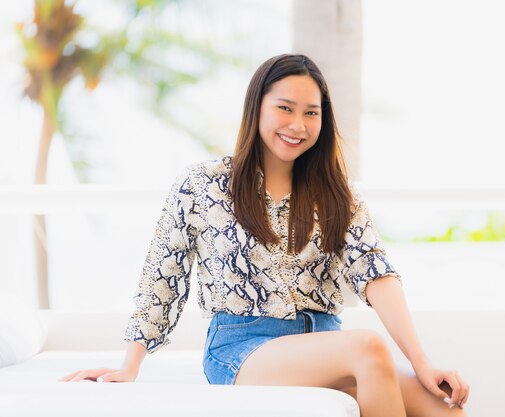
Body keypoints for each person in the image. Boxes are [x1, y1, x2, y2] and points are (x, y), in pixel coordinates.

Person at [61, 54, 470, 417]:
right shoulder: (204, 184)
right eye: (285, 108)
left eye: (312, 113)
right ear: (256, 107)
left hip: (324, 344)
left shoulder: (335, 193)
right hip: (243, 349)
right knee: (368, 347)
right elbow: (162, 275)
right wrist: (129, 366)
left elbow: (377, 273)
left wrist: (422, 362)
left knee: (444, 411)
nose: (298, 124)